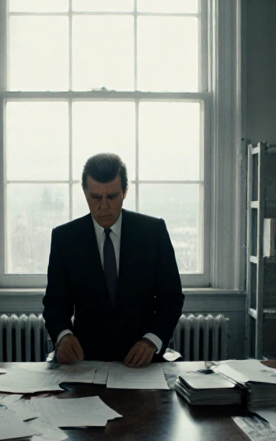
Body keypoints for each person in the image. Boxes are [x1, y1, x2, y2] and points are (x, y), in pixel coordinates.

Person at [43, 153, 184, 367]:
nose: (104, 206)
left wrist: (152, 340)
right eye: (95, 197)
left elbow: (171, 297)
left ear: (125, 192)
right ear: (84, 193)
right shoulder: (65, 238)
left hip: (142, 361)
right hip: (85, 361)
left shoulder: (153, 232)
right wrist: (63, 336)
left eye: (112, 197)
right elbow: (55, 303)